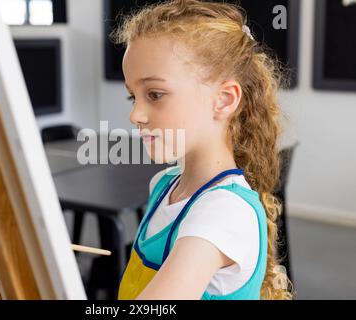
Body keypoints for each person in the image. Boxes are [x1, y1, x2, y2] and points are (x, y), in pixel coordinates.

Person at [111, 0, 295, 300]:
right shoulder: (163, 185)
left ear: (223, 100)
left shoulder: (223, 213)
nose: (136, 115)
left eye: (155, 94)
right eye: (133, 97)